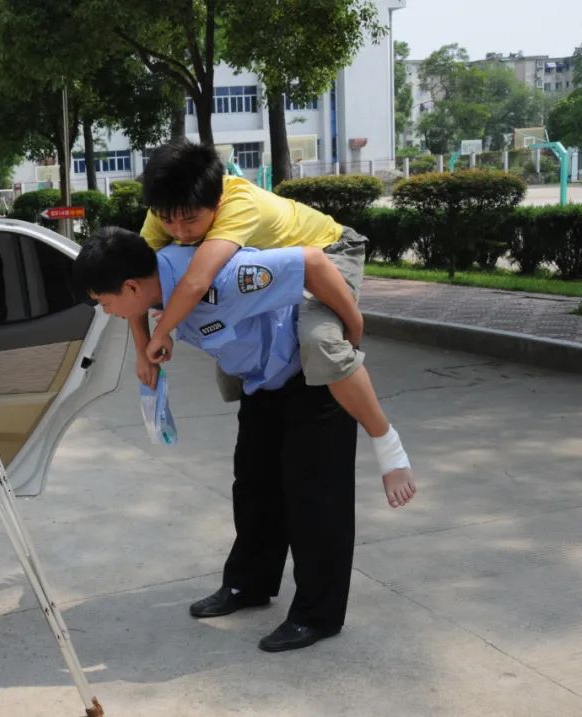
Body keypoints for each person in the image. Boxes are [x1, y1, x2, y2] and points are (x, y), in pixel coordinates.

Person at [73, 226, 369, 652]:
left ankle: (317, 615)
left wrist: (352, 328)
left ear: (131, 287)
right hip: (262, 383)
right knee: (253, 487)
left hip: (311, 378)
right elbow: (137, 307)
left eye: (105, 303)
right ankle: (249, 584)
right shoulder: (155, 285)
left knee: (316, 499)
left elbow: (311, 262)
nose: (107, 312)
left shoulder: (220, 276)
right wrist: (145, 346)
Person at [135, 139, 415, 509]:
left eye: (190, 220)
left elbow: (197, 282)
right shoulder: (168, 208)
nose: (179, 232)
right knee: (232, 357)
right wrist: (142, 350)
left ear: (216, 202)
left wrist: (353, 320)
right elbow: (135, 280)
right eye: (168, 220)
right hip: (279, 268)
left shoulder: (238, 203)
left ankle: (388, 444)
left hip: (328, 254)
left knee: (321, 342)